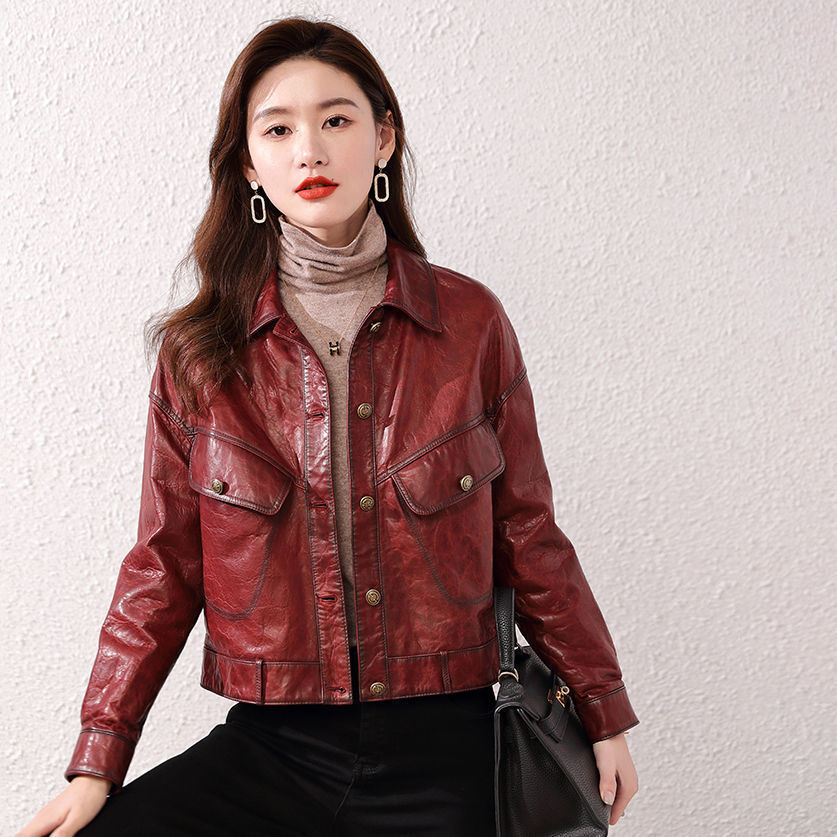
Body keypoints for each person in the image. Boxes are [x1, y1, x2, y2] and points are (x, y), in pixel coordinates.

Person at [16, 16, 639, 837]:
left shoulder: (469, 324)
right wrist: (97, 762)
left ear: (383, 138)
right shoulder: (200, 350)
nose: (309, 150)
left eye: (336, 119)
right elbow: (163, 566)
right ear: (249, 163)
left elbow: (528, 534)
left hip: (448, 751)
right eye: (277, 129)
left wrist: (602, 710)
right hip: (276, 751)